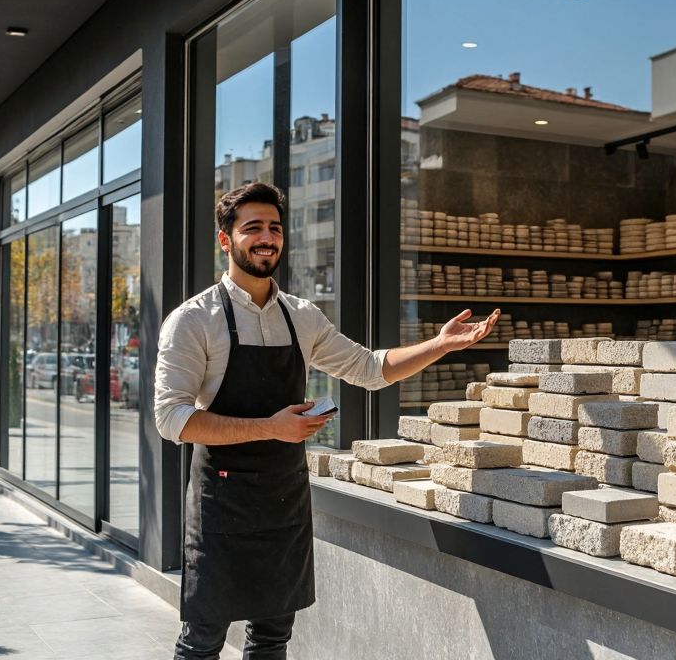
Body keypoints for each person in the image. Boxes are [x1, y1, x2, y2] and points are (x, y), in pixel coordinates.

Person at [155, 182, 499, 660]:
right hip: (220, 501)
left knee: (273, 639)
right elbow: (172, 418)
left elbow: (371, 369)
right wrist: (269, 427)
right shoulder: (194, 320)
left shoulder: (302, 316)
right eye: (252, 228)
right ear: (225, 240)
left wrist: (439, 346)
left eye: (274, 228)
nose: (266, 238)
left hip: (283, 499)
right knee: (202, 643)